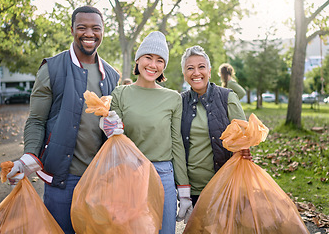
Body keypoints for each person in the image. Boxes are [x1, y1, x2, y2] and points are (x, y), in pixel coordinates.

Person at [6, 6, 120, 234]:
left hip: (99, 180)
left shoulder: (112, 75)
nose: (90, 33)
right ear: (72, 30)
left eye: (96, 28)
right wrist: (28, 156)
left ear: (103, 31)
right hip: (62, 179)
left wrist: (116, 127)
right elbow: (36, 120)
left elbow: (114, 126)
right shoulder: (52, 68)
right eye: (82, 28)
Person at [104, 31, 192, 234]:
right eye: (148, 57)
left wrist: (184, 189)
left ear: (164, 66)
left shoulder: (173, 98)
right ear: (138, 60)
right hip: (128, 173)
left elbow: (176, 142)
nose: (153, 65)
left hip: (163, 174)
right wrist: (108, 127)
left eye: (160, 60)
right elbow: (113, 139)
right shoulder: (120, 93)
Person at [180, 46, 251, 207]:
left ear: (210, 71)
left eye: (201, 67)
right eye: (190, 68)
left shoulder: (227, 97)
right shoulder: (179, 102)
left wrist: (244, 148)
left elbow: (242, 139)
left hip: (223, 188)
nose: (196, 73)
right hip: (191, 192)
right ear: (185, 74)